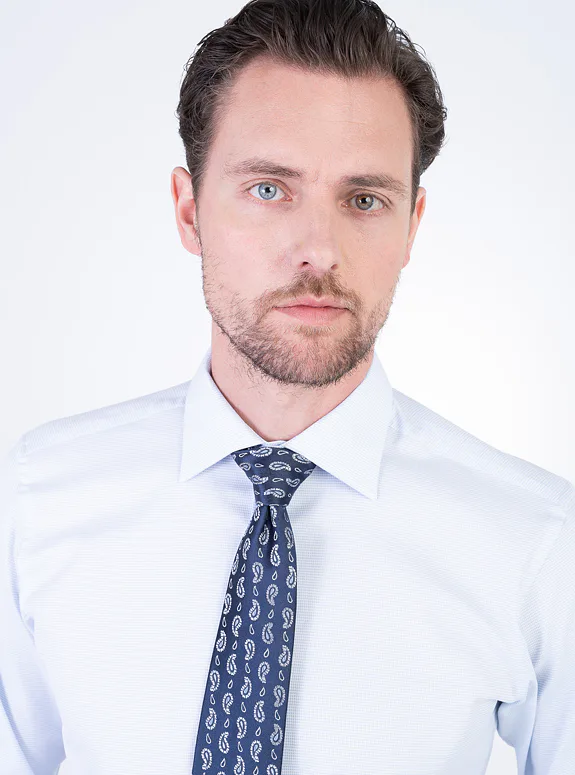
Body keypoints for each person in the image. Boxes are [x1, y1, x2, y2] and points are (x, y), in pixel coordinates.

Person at [1, 0, 573, 773]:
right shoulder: (38, 498)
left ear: (410, 226)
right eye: (269, 189)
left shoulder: (534, 539)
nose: (318, 250)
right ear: (188, 211)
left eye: (364, 199)